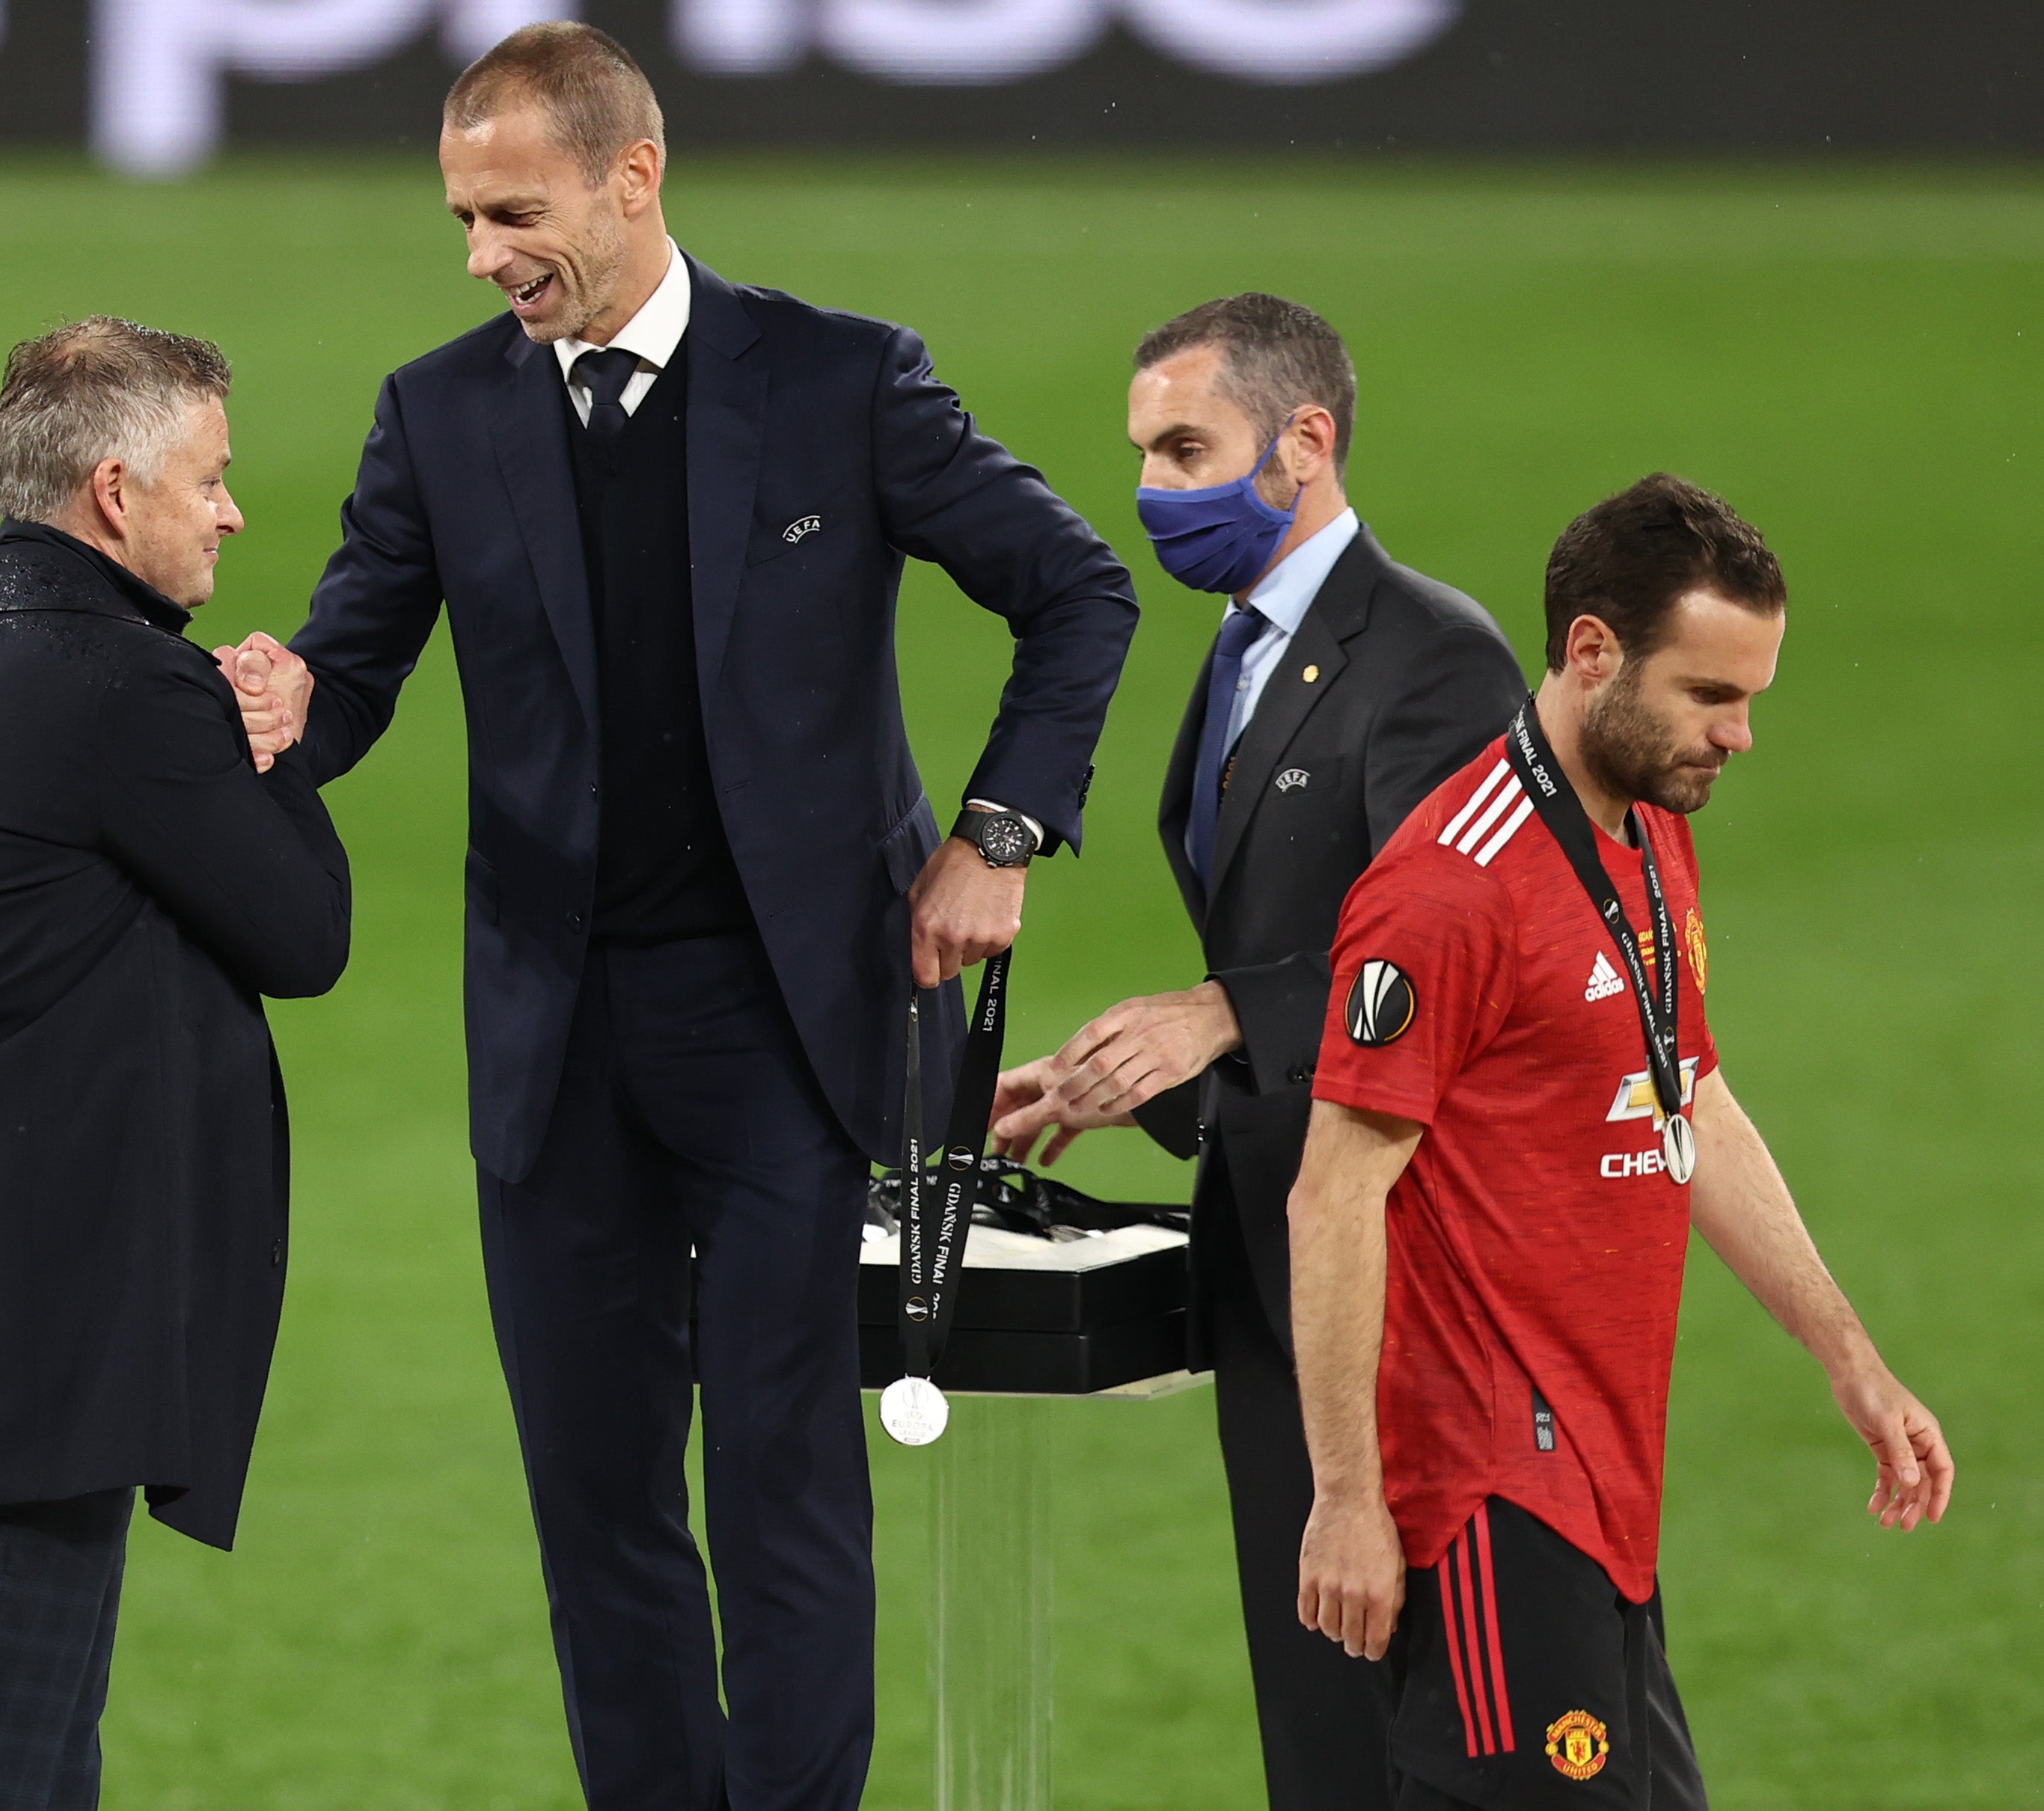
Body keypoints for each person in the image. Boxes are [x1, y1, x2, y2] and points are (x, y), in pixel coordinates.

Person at [216, 24, 1137, 1808]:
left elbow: (1074, 587)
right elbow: (350, 673)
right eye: (463, 219)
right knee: (598, 1506)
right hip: (554, 1038)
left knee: (785, 1492)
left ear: (634, 179)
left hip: (793, 1028)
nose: (481, 254)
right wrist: (275, 706)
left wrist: (1000, 830)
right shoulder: (441, 410)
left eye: (512, 211)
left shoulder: (841, 379)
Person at [1286, 475, 1952, 1810]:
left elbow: (1686, 1093)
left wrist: (1850, 1358)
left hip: (1603, 1489)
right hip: (1486, 1500)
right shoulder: (1445, 891)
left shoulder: (1648, 832)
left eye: (1751, 695)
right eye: (1710, 695)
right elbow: (1330, 1196)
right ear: (1591, 652)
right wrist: (1348, 1496)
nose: (1741, 736)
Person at [989, 294, 1521, 1810]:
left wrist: (1226, 1012)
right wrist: (1145, 1078)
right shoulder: (1245, 647)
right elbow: (1302, 938)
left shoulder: (1433, 661)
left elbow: (1462, 966)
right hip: (1278, 1254)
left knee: (1442, 1730)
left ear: (1306, 441)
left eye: (1186, 449)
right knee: (1324, 1729)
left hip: (1408, 1285)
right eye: (1144, 455)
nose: (1154, 491)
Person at [0, 318, 349, 1810]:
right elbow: (305, 931)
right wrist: (278, 736)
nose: (234, 511)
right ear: (116, 492)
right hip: (18, 1341)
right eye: (212, 478)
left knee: (18, 1777)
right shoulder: (119, 684)